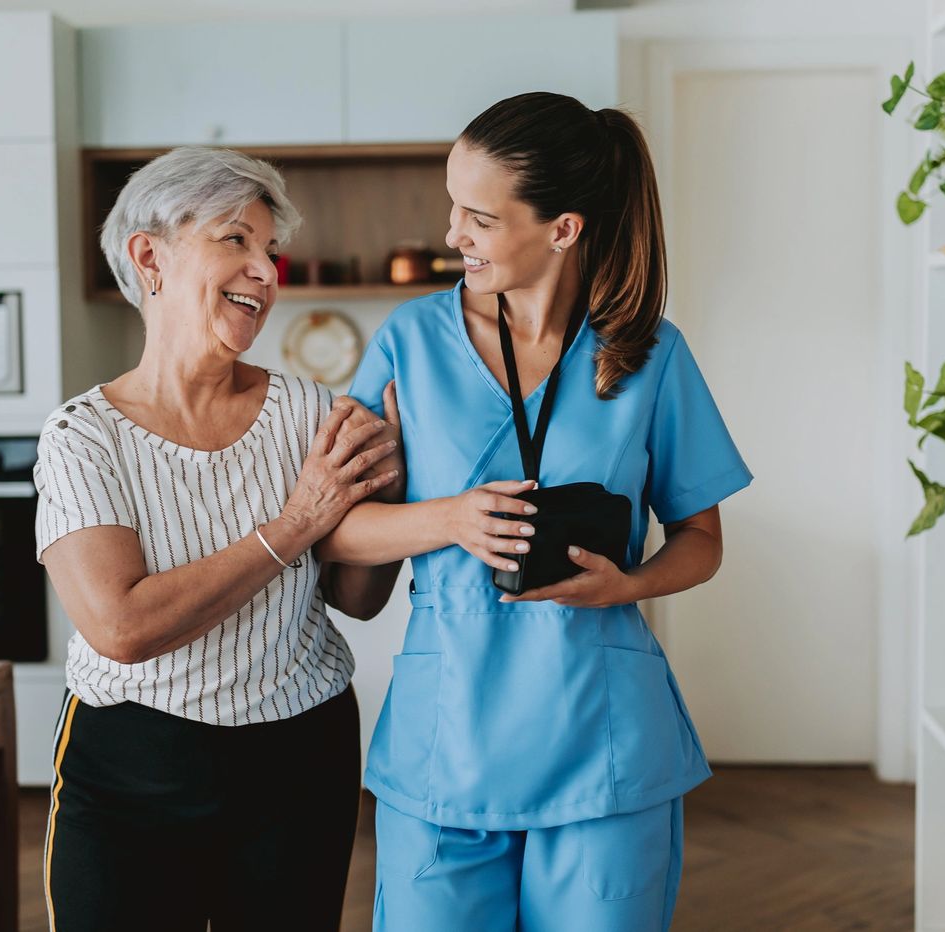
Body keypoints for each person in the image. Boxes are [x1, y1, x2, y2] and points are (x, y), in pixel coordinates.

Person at [318, 92, 754, 931]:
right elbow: (333, 534)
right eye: (453, 207)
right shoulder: (408, 342)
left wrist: (624, 585)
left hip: (603, 741)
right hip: (447, 741)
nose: (453, 234)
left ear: (562, 228)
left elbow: (701, 540)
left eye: (478, 216)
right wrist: (445, 518)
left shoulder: (650, 353)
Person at [34, 145, 402, 932]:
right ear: (149, 256)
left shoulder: (313, 414)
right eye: (235, 239)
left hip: (301, 755)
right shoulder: (81, 436)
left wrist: (393, 495)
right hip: (131, 764)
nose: (266, 271)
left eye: (270, 250)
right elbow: (122, 628)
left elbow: (356, 602)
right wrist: (298, 522)